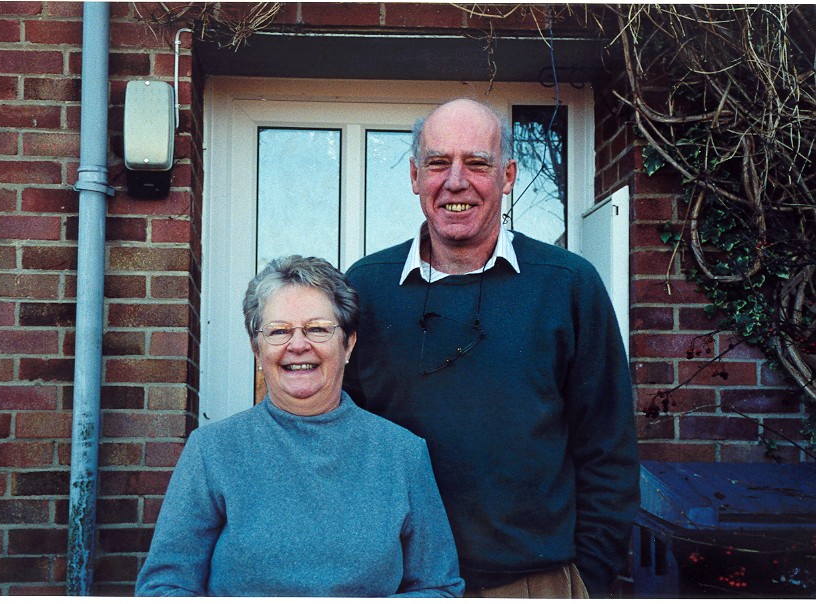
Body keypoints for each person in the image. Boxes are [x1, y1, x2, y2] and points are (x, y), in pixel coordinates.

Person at [343, 99, 640, 598]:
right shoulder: (367, 288)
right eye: (438, 162)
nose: (455, 181)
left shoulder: (567, 285)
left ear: (507, 176)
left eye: (477, 163)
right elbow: (339, 436)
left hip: (531, 584)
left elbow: (608, 447)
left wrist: (585, 577)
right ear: (415, 176)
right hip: (397, 583)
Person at [135, 255, 464, 597]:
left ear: (348, 344)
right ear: (257, 349)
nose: (298, 345)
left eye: (317, 328)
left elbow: (439, 588)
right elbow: (164, 588)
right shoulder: (213, 450)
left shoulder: (402, 454)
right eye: (279, 331)